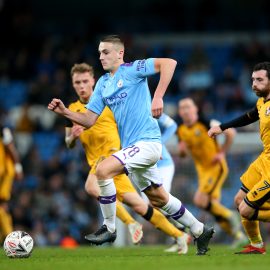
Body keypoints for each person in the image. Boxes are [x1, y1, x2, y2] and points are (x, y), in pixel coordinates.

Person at [48, 35, 214, 255]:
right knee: (159, 199)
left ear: (120, 53)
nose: (101, 57)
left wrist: (158, 97)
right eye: (99, 53)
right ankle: (199, 230)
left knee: (103, 170)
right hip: (132, 149)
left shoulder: (134, 69)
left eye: (106, 52)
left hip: (147, 142)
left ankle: (109, 227)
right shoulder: (103, 84)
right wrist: (65, 112)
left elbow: (169, 63)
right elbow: (89, 120)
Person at [66, 63, 190, 253]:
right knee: (143, 207)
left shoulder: (107, 101)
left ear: (93, 81)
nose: (82, 86)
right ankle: (179, 235)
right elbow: (68, 143)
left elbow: (127, 124)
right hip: (102, 168)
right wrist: (72, 137)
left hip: (114, 159)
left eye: (85, 81)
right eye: (77, 82)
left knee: (91, 186)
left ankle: (128, 224)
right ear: (73, 84)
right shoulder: (72, 110)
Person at [208, 62, 270, 254]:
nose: (254, 84)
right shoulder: (262, 102)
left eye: (259, 80)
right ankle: (257, 245)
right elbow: (250, 116)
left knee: (245, 210)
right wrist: (223, 127)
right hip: (264, 158)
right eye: (253, 79)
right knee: (238, 200)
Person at [177, 97, 247, 246]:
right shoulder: (181, 130)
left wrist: (222, 152)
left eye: (188, 107)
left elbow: (231, 133)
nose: (185, 110)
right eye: (182, 108)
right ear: (179, 112)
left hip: (216, 168)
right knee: (213, 208)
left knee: (199, 200)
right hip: (202, 171)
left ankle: (230, 215)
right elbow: (183, 152)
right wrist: (182, 152)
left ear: (195, 109)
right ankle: (239, 236)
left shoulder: (207, 123)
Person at [0, 123, 24, 243]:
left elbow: (10, 147)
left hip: (4, 173)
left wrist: (17, 166)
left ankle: (9, 238)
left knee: (2, 205)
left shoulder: (3, 128)